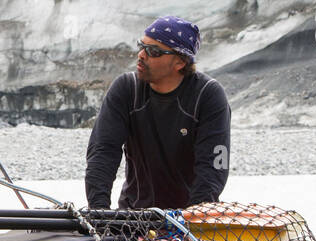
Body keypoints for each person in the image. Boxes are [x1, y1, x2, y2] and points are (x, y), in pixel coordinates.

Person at [85, 15, 231, 210]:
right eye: (141, 46)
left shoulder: (208, 95)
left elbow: (213, 169)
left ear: (179, 62)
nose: (141, 55)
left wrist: (194, 220)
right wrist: (99, 211)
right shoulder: (127, 89)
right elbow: (103, 152)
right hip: (132, 216)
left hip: (188, 219)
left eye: (153, 51)